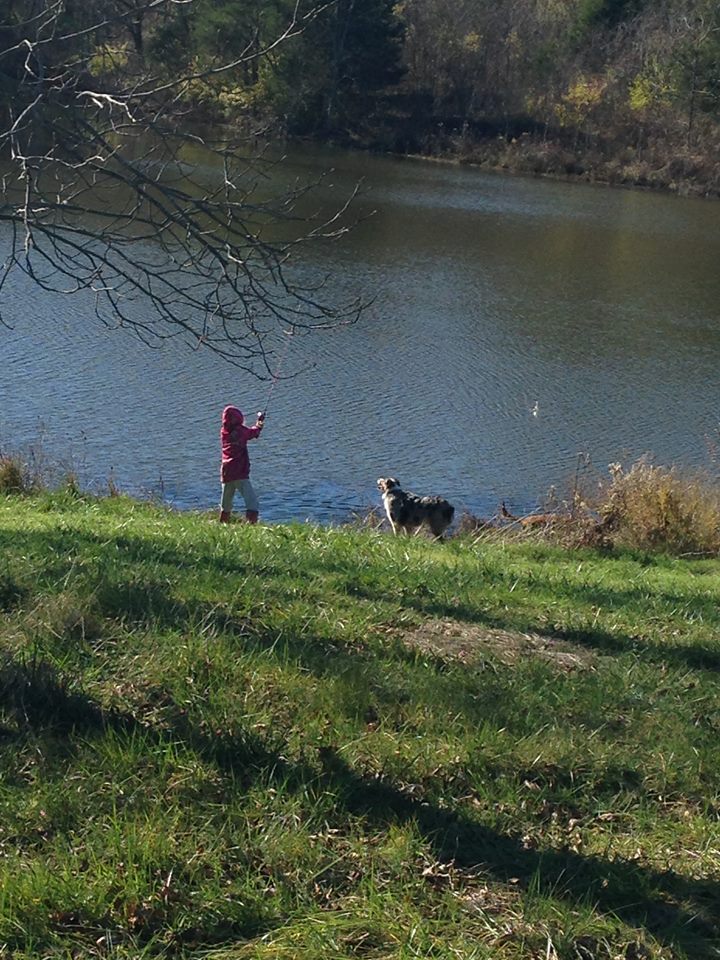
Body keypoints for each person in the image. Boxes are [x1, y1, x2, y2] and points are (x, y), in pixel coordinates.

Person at [219, 405, 265, 523]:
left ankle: (223, 524)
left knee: (226, 503)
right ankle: (251, 527)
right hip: (239, 471)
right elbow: (254, 432)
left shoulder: (224, 432)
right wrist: (259, 422)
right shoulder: (240, 431)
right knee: (252, 503)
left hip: (226, 471)